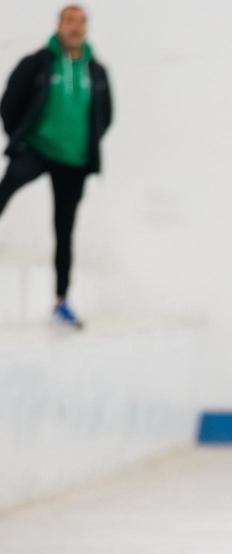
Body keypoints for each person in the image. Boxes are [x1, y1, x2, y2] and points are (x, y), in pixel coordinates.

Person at [0, 5, 113, 328]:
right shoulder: (37, 63)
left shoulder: (97, 72)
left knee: (64, 231)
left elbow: (106, 115)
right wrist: (19, 138)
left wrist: (85, 144)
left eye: (81, 22)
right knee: (3, 192)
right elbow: (9, 102)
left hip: (74, 161)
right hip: (36, 150)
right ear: (59, 25)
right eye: (69, 21)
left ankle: (61, 302)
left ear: (87, 28)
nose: (75, 28)